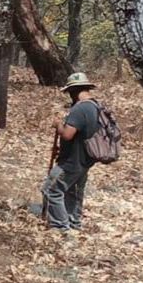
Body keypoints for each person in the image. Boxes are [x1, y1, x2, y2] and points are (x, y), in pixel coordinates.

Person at [42, 72, 99, 232]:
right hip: (84, 159)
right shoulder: (95, 107)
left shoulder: (80, 109)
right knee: (74, 192)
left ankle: (60, 227)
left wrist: (58, 125)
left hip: (71, 161)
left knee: (51, 190)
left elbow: (67, 134)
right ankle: (73, 223)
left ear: (74, 90)